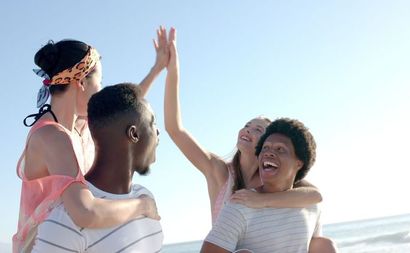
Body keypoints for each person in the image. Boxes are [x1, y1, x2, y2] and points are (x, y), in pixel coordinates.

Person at [14, 26, 171, 252]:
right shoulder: (51, 137)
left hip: (78, 240)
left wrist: (157, 69)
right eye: (100, 80)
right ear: (81, 82)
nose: (101, 89)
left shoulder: (79, 126)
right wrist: (142, 206)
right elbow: (85, 213)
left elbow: (123, 109)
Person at [163, 29, 322, 225]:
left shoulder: (273, 179)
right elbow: (175, 129)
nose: (248, 130)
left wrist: (263, 200)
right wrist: (173, 70)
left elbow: (314, 195)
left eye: (257, 130)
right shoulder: (219, 171)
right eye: (247, 125)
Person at [32, 83, 164, 252]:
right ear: (134, 134)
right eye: (153, 123)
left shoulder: (144, 196)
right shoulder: (66, 222)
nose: (158, 132)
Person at [201, 118, 337, 253]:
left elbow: (317, 196)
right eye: (265, 148)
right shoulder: (240, 206)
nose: (268, 152)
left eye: (280, 149)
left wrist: (263, 201)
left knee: (324, 245)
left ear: (299, 163)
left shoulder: (311, 207)